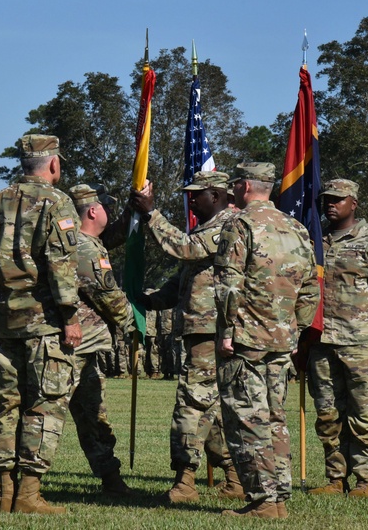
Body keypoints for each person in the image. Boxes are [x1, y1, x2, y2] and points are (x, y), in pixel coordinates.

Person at [0, 134, 82, 515]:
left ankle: (4, 491)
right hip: (44, 321)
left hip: (4, 319)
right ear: (53, 164)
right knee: (45, 405)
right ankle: (29, 494)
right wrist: (70, 317)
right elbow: (61, 264)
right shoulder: (57, 202)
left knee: (9, 404)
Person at [214, 162, 321, 519]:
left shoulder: (239, 224)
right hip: (280, 340)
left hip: (245, 339)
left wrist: (228, 330)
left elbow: (229, 283)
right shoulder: (297, 228)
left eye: (235, 185)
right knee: (275, 417)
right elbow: (310, 287)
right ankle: (277, 498)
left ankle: (263, 500)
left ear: (245, 186)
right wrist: (296, 330)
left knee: (247, 418)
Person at [130, 170, 244, 504]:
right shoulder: (206, 227)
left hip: (214, 331)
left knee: (192, 403)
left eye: (197, 194)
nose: (191, 200)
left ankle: (185, 480)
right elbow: (186, 276)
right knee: (210, 405)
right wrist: (152, 300)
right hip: (200, 329)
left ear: (218, 195)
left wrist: (152, 214)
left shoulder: (229, 225)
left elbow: (185, 249)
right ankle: (234, 475)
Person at [306, 179, 368, 499]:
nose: (330, 204)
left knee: (364, 415)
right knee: (327, 415)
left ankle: (365, 481)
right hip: (321, 342)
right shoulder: (312, 239)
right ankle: (336, 478)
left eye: (338, 199)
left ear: (354, 203)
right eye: (326, 199)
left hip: (363, 342)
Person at [67, 183, 135, 495]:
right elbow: (108, 295)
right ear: (93, 211)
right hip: (70, 349)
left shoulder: (83, 241)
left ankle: (111, 478)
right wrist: (135, 325)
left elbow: (117, 234)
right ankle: (18, 482)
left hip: (83, 348)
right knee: (45, 415)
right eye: (105, 207)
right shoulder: (83, 248)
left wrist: (136, 211)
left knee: (94, 415)